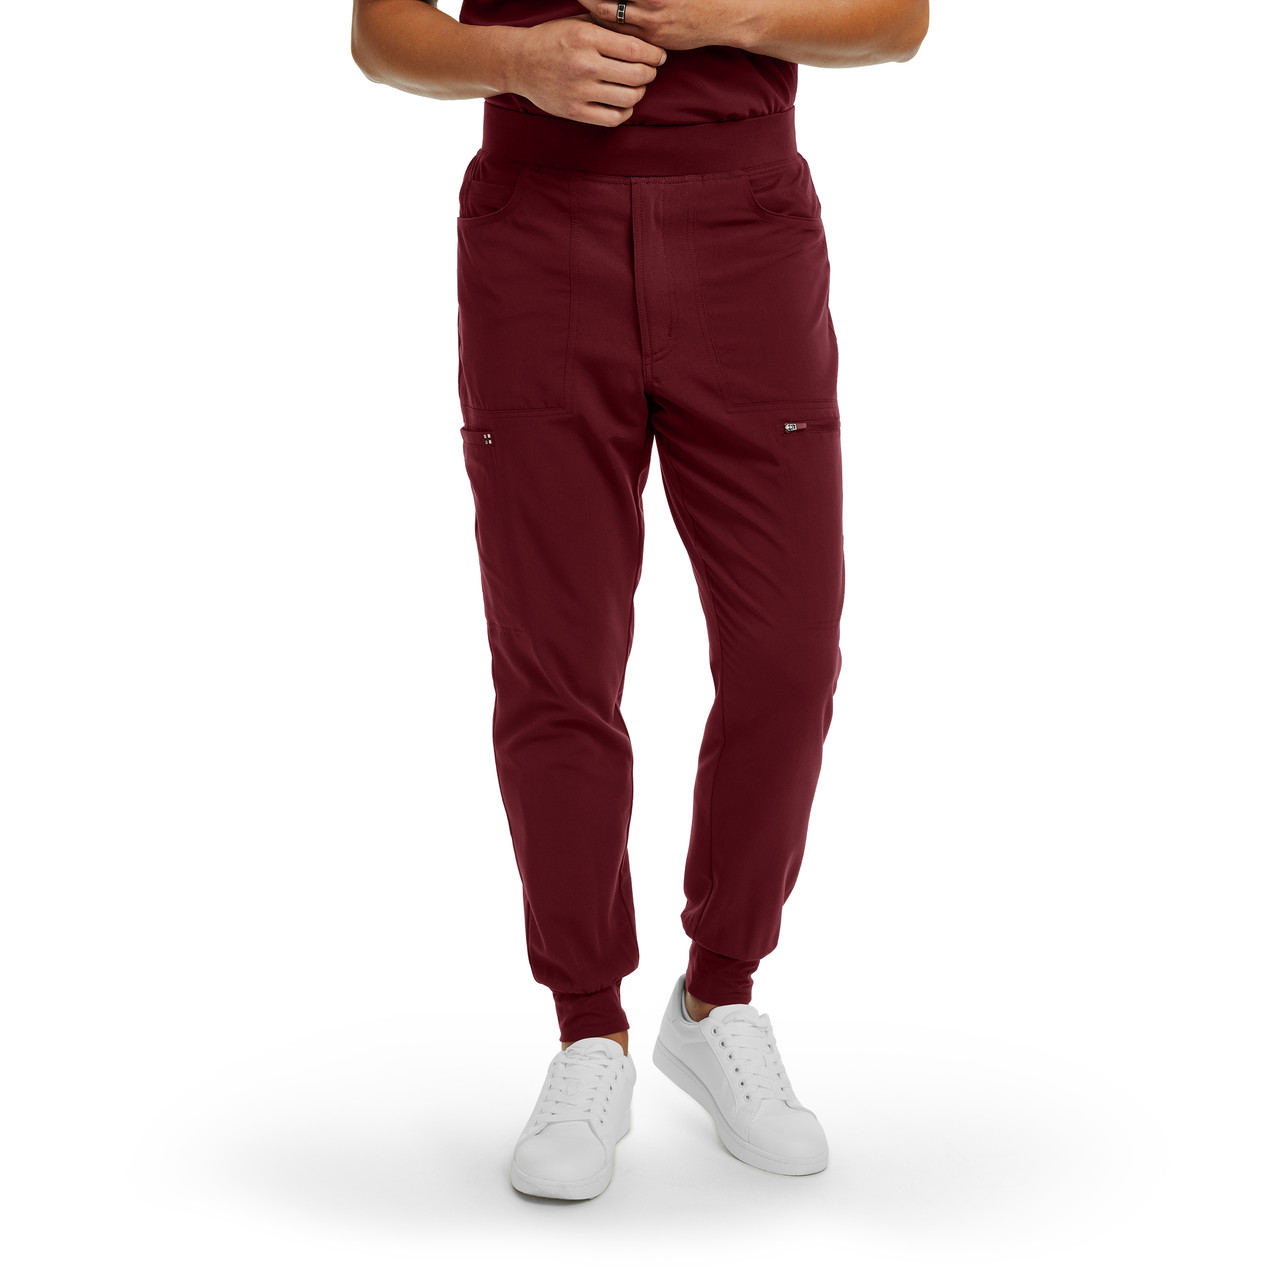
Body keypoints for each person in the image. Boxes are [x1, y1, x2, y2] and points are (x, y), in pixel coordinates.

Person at [351, 0, 928, 1199]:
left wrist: (740, 16)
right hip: (537, 229)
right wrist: (515, 58)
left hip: (745, 230)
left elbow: (898, 21)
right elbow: (379, 32)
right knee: (556, 660)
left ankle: (718, 995)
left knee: (785, 656)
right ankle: (587, 1028)